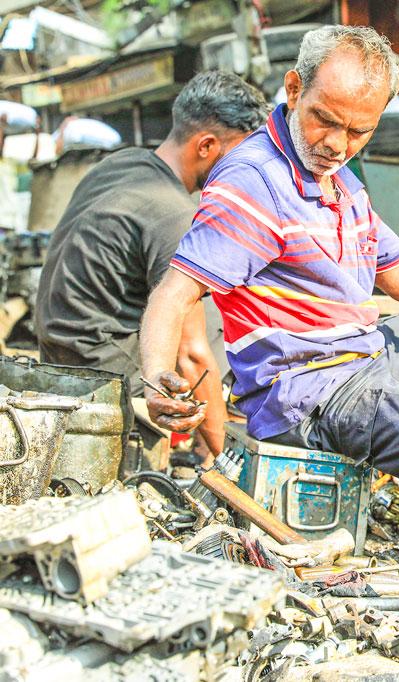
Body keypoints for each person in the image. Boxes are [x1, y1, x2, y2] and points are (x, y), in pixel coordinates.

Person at [138, 26, 399, 548]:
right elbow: (174, 292)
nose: (338, 144)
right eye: (325, 120)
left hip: (359, 365)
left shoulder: (339, 181)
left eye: (359, 131)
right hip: (310, 398)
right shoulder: (253, 184)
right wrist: (158, 379)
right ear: (294, 90)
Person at [35, 71, 270, 463]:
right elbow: (191, 354)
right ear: (207, 145)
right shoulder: (175, 216)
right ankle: (210, 445)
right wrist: (223, 456)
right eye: (239, 157)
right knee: (217, 320)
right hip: (103, 374)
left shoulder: (119, 164)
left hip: (56, 348)